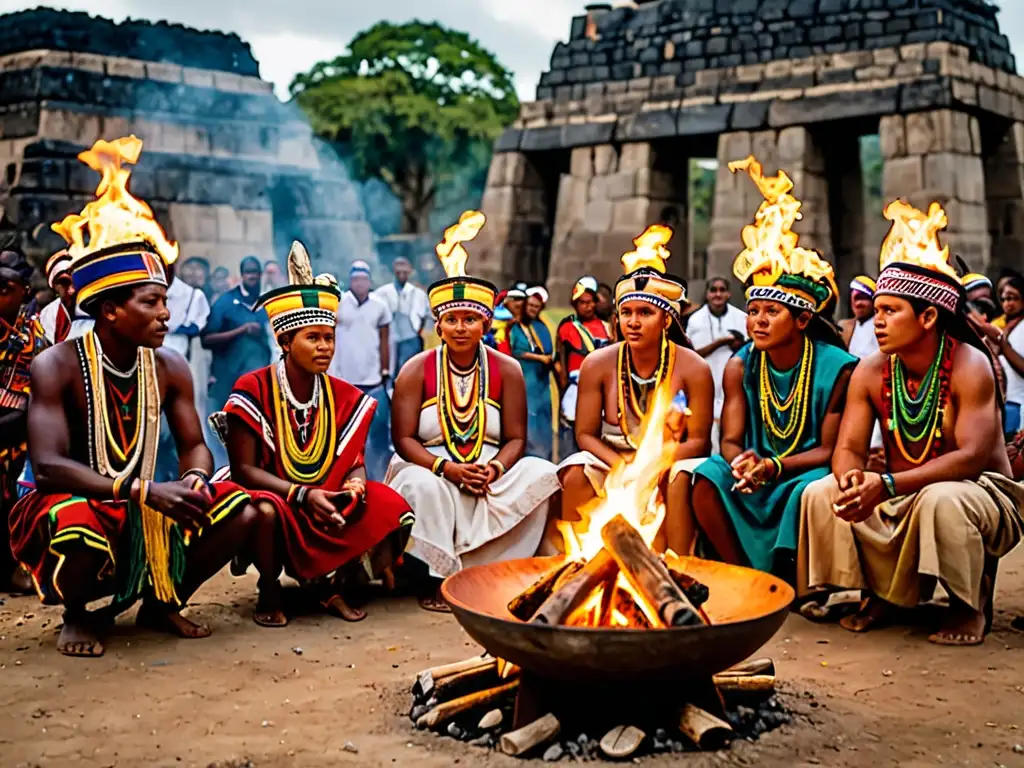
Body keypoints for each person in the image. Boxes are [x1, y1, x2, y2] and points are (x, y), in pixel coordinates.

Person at [8, 135, 257, 656]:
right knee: (73, 523)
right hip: (76, 501)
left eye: (166, 301)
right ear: (110, 312)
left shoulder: (169, 366)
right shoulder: (55, 364)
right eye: (152, 302)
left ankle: (163, 602)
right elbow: (49, 466)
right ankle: (77, 614)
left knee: (242, 509)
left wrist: (192, 476)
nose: (167, 313)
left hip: (140, 498)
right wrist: (144, 492)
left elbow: (193, 442)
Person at [799, 200, 1024, 646]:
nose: (877, 321)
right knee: (823, 491)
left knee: (942, 498)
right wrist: (853, 482)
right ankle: (881, 594)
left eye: (890, 311)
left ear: (927, 318)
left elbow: (972, 458)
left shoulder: (969, 365)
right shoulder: (871, 369)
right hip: (904, 484)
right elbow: (848, 448)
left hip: (982, 492)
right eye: (876, 310)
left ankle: (968, 607)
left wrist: (884, 485)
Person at [223, 242, 413, 626]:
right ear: (285, 342)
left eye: (329, 337)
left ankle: (333, 586)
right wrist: (303, 493)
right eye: (313, 338)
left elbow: (354, 463)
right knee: (263, 512)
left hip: (324, 492)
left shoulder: (342, 394)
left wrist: (355, 486)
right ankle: (270, 589)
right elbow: (243, 470)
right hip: (276, 494)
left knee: (385, 501)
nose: (324, 347)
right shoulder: (254, 386)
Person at [690, 156, 857, 578]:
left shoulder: (837, 367)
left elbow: (831, 449)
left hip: (802, 470)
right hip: (755, 469)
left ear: (802, 320)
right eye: (753, 311)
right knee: (708, 475)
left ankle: (795, 580)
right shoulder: (739, 365)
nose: (758, 321)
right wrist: (743, 461)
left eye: (772, 312)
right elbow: (728, 439)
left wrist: (776, 467)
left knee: (810, 489)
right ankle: (739, 573)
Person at [386, 211, 560, 611]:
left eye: (470, 319)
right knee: (422, 487)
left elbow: (517, 437)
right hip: (430, 466)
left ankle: (498, 570)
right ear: (439, 325)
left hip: (489, 468)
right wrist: (448, 469)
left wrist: (493, 468)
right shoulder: (416, 369)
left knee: (544, 473)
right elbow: (403, 439)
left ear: (485, 324)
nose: (461, 328)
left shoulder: (507, 368)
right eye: (451, 320)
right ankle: (437, 578)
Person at [558, 225, 715, 556]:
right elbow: (585, 434)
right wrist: (620, 466)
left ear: (667, 320)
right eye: (626, 313)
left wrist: (650, 466)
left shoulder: (694, 368)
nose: (633, 321)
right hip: (610, 459)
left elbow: (699, 441)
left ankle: (674, 567)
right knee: (573, 473)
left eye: (645, 313)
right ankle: (573, 561)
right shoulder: (598, 364)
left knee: (677, 479)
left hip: (668, 463)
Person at [0, 248, 48, 591]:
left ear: (24, 293)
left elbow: (31, 403)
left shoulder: (33, 338)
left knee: (10, 504)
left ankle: (12, 570)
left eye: (4, 288)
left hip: (13, 441)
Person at [202, 256, 271, 469]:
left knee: (255, 430)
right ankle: (224, 468)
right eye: (248, 272)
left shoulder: (269, 303)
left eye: (256, 272)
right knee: (223, 428)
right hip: (227, 380)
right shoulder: (225, 302)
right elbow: (206, 339)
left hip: (258, 385)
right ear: (242, 275)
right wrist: (241, 330)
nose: (252, 276)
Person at [329, 260, 393, 481]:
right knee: (345, 434)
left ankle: (378, 477)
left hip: (373, 380)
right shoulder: (338, 304)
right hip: (345, 380)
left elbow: (385, 339)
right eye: (356, 279)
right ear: (350, 281)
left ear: (369, 281)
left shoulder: (380, 305)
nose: (360, 283)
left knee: (377, 433)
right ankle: (346, 477)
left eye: (363, 279)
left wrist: (386, 369)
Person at [686, 276, 748, 452]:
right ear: (707, 294)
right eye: (713, 290)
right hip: (706, 383)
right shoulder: (696, 320)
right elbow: (693, 354)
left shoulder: (741, 317)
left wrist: (738, 344)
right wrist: (720, 342)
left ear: (728, 294)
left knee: (732, 434)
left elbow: (751, 349)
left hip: (733, 385)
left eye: (722, 290)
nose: (718, 294)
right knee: (709, 438)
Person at [556, 276, 611, 458]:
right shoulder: (567, 327)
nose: (587, 306)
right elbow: (561, 360)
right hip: (574, 388)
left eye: (590, 302)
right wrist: (562, 387)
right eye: (582, 302)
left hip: (601, 388)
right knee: (570, 439)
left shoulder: (607, 327)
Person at [510, 287, 557, 460]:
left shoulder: (542, 327)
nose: (532, 309)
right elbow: (514, 350)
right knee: (527, 418)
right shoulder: (514, 326)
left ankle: (544, 459)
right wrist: (538, 357)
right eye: (529, 305)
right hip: (524, 379)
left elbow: (550, 350)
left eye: (536, 307)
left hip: (541, 382)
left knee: (543, 419)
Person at [374, 256, 430, 378]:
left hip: (411, 339)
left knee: (410, 373)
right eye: (398, 269)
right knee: (389, 374)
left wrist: (418, 332)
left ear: (410, 270)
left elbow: (426, 316)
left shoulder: (418, 294)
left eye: (405, 269)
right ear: (394, 270)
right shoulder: (382, 292)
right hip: (390, 340)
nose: (402, 272)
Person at [38, 249, 94, 344]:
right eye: (64, 283)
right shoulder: (48, 315)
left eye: (76, 282)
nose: (71, 291)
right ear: (54, 287)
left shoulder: (97, 312)